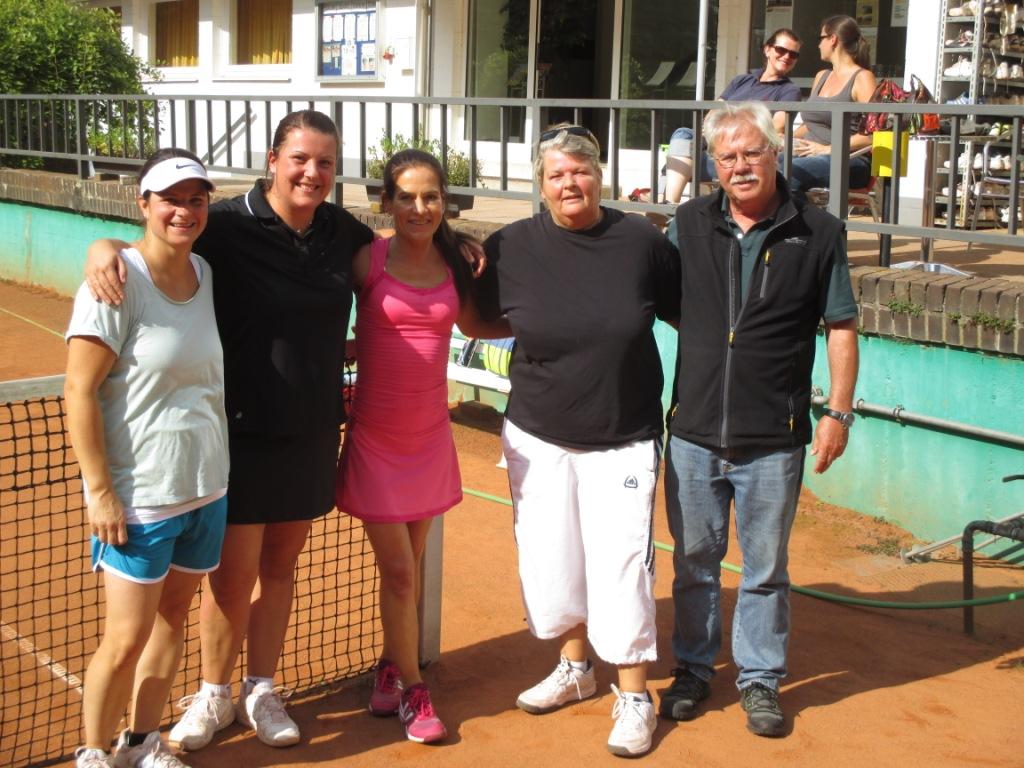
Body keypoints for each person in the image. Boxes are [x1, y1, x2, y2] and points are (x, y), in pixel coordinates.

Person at [83, 110, 376, 752]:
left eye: (325, 162)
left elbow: (401, 248)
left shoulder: (339, 230)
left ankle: (261, 690)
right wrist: (101, 248)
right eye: (299, 158)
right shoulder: (226, 224)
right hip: (235, 437)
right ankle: (214, 693)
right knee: (231, 579)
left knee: (281, 569)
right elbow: (157, 238)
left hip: (309, 431)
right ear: (272, 160)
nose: (312, 172)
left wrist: (458, 248)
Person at [476, 123, 681, 758]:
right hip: (537, 432)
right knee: (554, 557)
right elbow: (476, 318)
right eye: (557, 174)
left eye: (582, 170)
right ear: (541, 185)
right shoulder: (511, 245)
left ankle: (634, 695)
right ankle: (575, 667)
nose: (571, 183)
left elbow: (687, 315)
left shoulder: (641, 241)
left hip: (623, 435)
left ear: (600, 176)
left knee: (621, 565)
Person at [660, 101, 859, 737]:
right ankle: (693, 668)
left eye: (752, 152)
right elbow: (653, 298)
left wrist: (838, 413)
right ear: (712, 165)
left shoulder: (818, 231)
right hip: (693, 432)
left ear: (776, 153)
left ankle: (760, 679)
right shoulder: (687, 224)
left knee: (766, 569)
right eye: (727, 157)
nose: (741, 166)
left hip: (774, 435)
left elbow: (841, 326)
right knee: (694, 561)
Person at [335, 149, 510, 744]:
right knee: (401, 573)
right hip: (376, 441)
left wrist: (550, 326)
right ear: (386, 201)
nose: (419, 207)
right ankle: (413, 689)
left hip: (429, 439)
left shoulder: (455, 262)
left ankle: (390, 667)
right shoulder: (366, 258)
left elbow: (474, 326)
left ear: (444, 202)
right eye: (406, 196)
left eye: (430, 196)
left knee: (405, 574)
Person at [68, 150, 228, 768]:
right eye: (170, 199)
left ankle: (141, 743)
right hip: (141, 498)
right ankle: (93, 752)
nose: (184, 211)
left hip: (205, 487)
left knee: (171, 621)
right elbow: (79, 390)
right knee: (125, 637)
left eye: (195, 200)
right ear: (143, 203)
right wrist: (100, 490)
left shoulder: (205, 271)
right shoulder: (115, 282)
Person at [664, 28, 803, 204]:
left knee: (678, 161)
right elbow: (712, 115)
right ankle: (667, 205)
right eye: (781, 50)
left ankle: (665, 206)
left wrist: (732, 128)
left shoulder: (789, 91)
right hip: (715, 143)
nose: (787, 56)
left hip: (740, 155)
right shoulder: (742, 80)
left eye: (793, 54)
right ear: (767, 49)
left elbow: (776, 128)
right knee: (683, 135)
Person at [788, 15, 878, 199]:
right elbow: (812, 125)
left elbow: (874, 133)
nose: (818, 45)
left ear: (833, 39)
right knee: (765, 165)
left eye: (821, 38)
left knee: (791, 171)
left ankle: (798, 218)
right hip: (810, 155)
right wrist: (784, 140)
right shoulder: (822, 76)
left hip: (848, 159)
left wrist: (828, 149)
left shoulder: (862, 77)